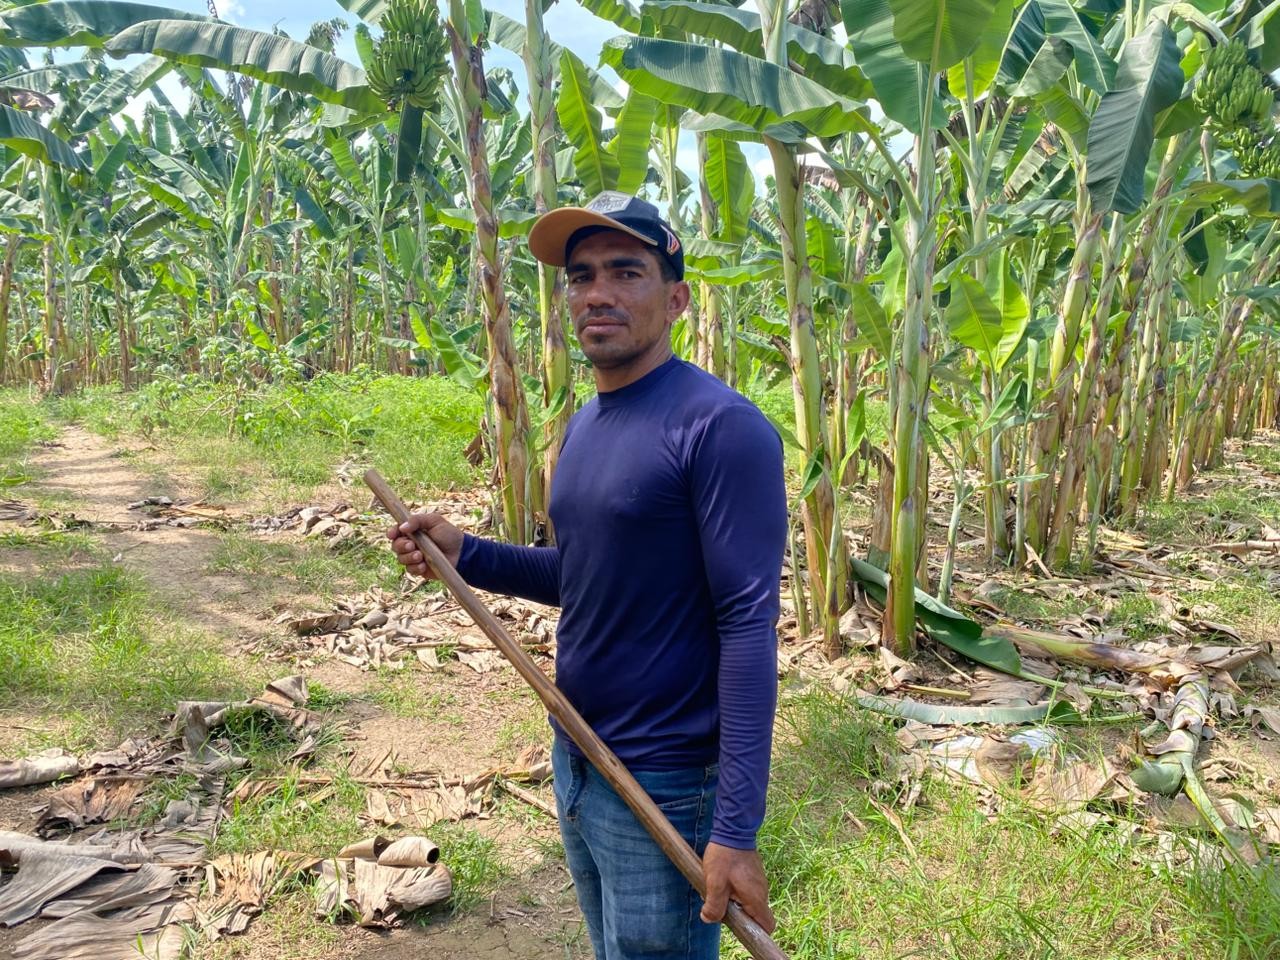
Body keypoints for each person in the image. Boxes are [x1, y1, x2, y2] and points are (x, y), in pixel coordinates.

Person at [387, 191, 787, 959]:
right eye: (581, 276)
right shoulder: (586, 424)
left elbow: (746, 627)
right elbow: (586, 575)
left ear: (675, 300)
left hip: (664, 778)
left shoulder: (720, 428)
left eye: (625, 272)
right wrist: (466, 552)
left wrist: (735, 831)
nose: (597, 292)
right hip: (577, 756)